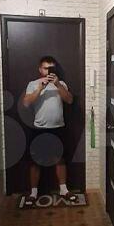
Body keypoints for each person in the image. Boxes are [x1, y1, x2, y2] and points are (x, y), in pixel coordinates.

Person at [23, 55, 73, 199]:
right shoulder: (33, 84)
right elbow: (26, 103)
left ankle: (63, 190)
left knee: (60, 159)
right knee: (35, 162)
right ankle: (33, 193)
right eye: (46, 68)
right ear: (40, 69)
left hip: (58, 128)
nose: (48, 71)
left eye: (51, 68)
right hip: (39, 129)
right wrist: (40, 88)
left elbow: (69, 100)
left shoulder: (61, 83)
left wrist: (57, 85)